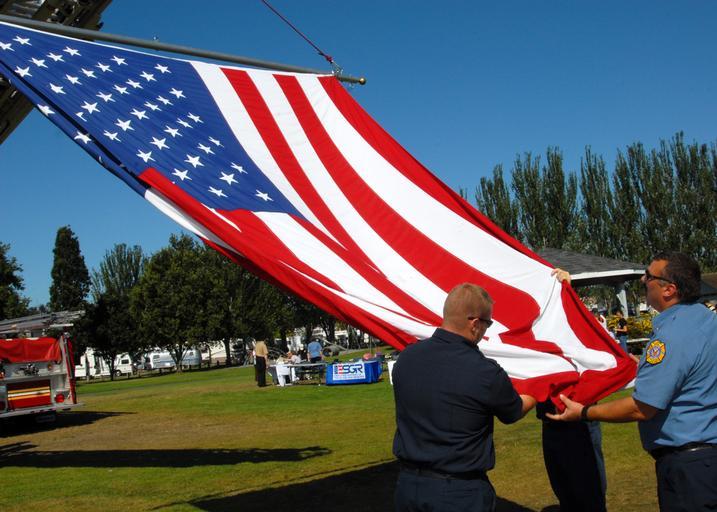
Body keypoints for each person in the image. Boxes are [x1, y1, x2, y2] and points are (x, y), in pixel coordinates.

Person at [547, 252, 717, 511]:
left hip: (688, 467)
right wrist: (643, 365)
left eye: (649, 276)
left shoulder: (671, 336)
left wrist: (584, 412)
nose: (643, 279)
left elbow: (642, 407)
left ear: (669, 290)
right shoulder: (705, 320)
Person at [392, 283, 537, 511]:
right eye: (488, 323)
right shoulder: (484, 371)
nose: (486, 330)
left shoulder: (407, 357)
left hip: (408, 487)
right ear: (475, 324)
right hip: (458, 492)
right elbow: (513, 411)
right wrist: (538, 389)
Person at [539, 269, 607, 512]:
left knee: (588, 494)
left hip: (579, 421)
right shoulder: (541, 330)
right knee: (565, 490)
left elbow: (584, 335)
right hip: (550, 421)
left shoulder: (576, 327)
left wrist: (569, 293)